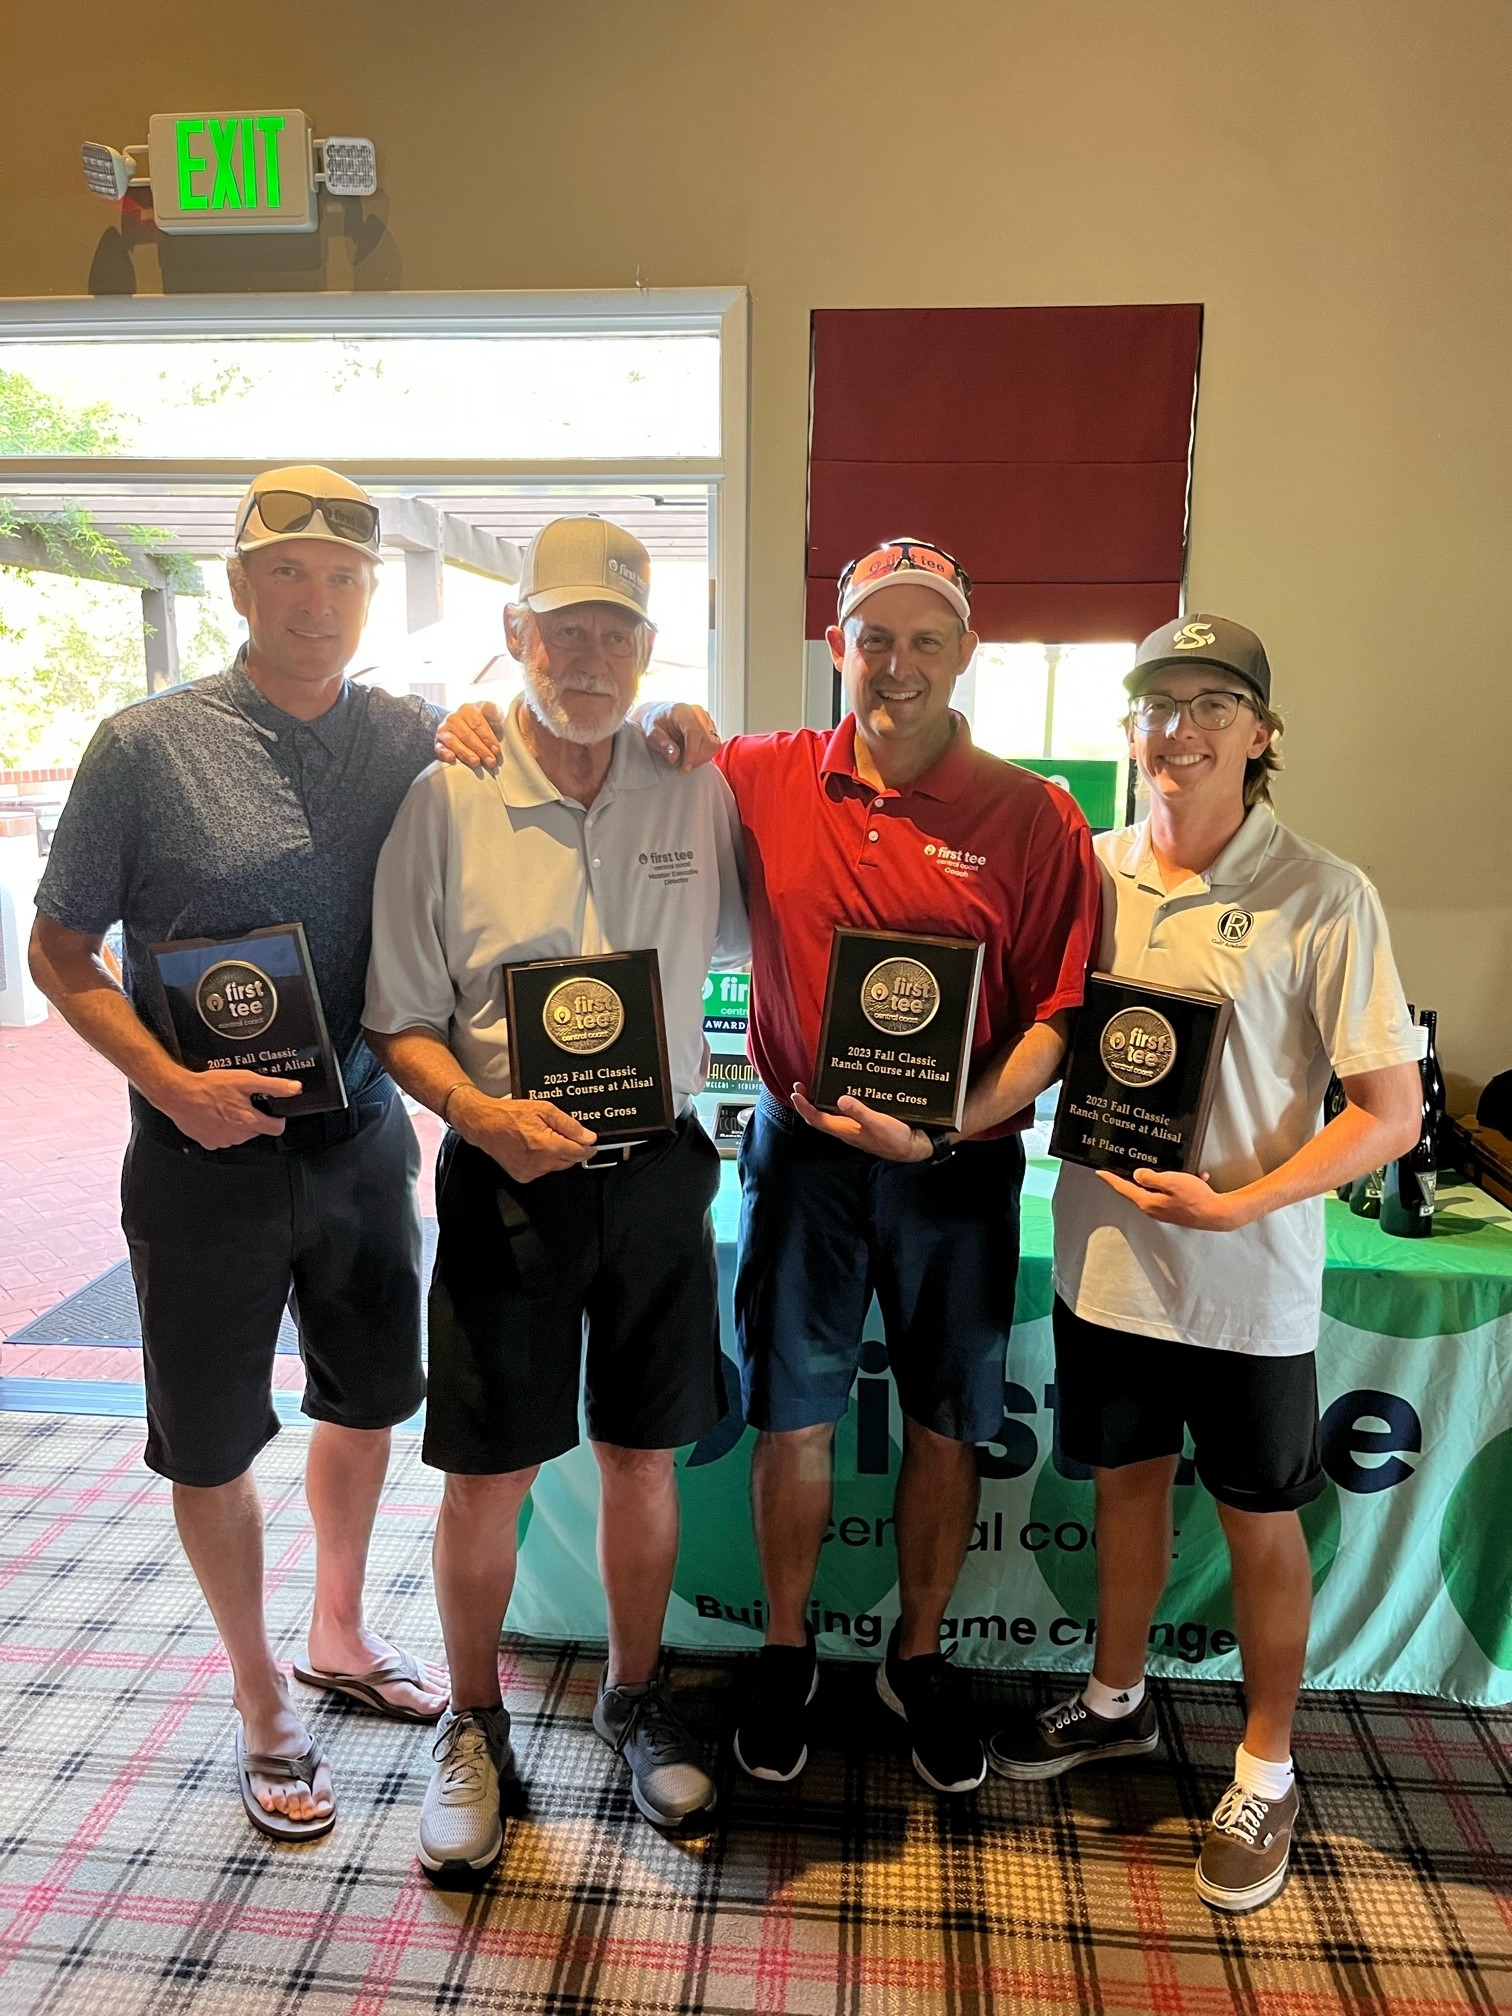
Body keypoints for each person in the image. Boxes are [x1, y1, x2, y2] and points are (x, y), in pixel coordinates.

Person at [438, 537, 1100, 1797]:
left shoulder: (1033, 813)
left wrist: (951, 1123)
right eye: (872, 639)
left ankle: (922, 1657)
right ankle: (786, 1652)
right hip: (803, 1159)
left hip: (955, 1166)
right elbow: (606, 747)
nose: (895, 665)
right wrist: (480, 716)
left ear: (964, 651)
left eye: (924, 640)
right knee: (792, 1417)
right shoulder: (754, 773)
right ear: (836, 646)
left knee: (949, 1423)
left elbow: (1056, 1019)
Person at [28, 466, 450, 1843]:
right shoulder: (146, 746)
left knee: (367, 1399)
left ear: (368, 593)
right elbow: (61, 947)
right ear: (240, 585)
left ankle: (338, 1629)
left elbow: (550, 749)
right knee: (208, 1439)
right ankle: (259, 1691)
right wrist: (165, 1078)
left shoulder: (414, 736)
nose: (314, 598)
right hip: (198, 1158)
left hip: (365, 1141)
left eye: (339, 575)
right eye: (287, 572)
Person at [985, 615, 1424, 1914]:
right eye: (1158, 703)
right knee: (1126, 1488)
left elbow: (1388, 1109)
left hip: (1249, 1280)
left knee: (1257, 1518)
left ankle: (1267, 1766)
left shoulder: (1326, 892)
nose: (1179, 727)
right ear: (1133, 730)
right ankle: (1117, 1701)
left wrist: (1248, 1203)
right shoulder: (1095, 874)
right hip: (1107, 1266)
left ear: (1261, 735)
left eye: (1211, 703)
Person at [364, 516, 747, 1880]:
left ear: (649, 650)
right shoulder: (444, 793)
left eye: (616, 635)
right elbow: (398, 1017)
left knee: (646, 1457)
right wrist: (473, 1112)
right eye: (562, 631)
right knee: (488, 1472)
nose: (588, 658)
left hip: (656, 1183)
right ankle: (470, 1725)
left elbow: (780, 923)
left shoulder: (693, 781)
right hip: (502, 1186)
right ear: (516, 638)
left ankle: (634, 1695)